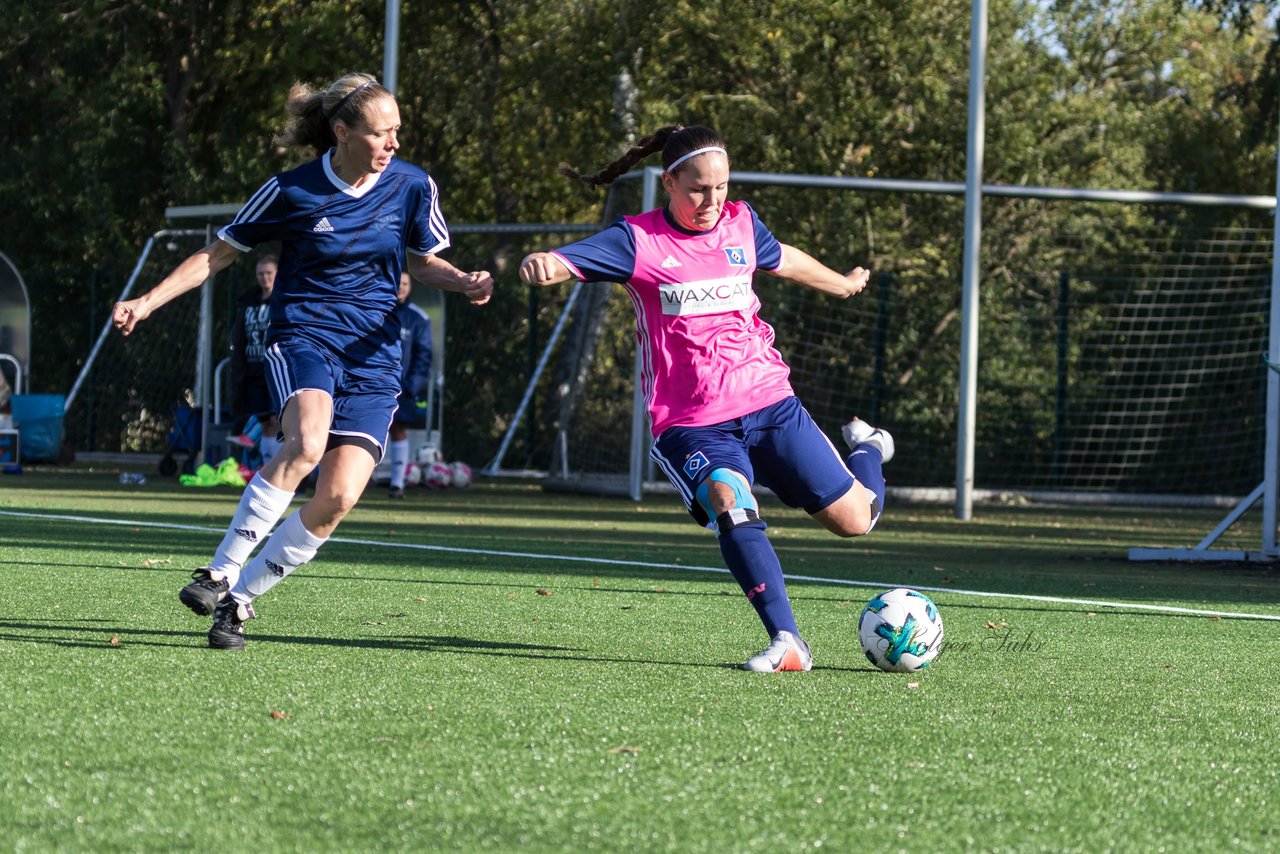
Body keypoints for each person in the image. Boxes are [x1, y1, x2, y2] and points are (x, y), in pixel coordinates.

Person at [113, 71, 494, 650]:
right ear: (341, 132)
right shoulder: (291, 190)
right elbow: (215, 256)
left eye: (397, 131)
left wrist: (463, 280)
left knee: (338, 498)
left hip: (374, 357)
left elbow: (422, 261)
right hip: (304, 339)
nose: (394, 144)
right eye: (381, 133)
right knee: (307, 443)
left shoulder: (413, 186)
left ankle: (239, 602)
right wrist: (146, 300)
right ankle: (217, 571)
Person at [519, 125, 893, 673]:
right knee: (728, 497)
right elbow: (565, 260)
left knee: (856, 520)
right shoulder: (637, 241)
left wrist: (841, 283)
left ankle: (870, 452)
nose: (711, 201)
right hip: (691, 421)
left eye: (720, 188)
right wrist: (545, 264)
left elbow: (782, 257)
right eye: (698, 189)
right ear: (668, 182)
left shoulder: (740, 223)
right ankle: (788, 640)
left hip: (768, 402)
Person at [227, 253, 280, 465]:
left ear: (277, 274)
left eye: (269, 273)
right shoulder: (248, 302)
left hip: (276, 369)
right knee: (264, 421)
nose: (264, 277)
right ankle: (267, 467)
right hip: (253, 370)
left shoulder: (283, 301)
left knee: (279, 420)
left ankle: (281, 470)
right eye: (260, 273)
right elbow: (239, 337)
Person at [387, 271, 434, 498]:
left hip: (401, 386)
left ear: (410, 286)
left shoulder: (418, 318)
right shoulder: (376, 310)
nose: (401, 287)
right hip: (372, 382)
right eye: (397, 283)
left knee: (398, 429)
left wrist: (412, 385)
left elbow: (424, 355)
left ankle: (397, 484)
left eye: (405, 283)